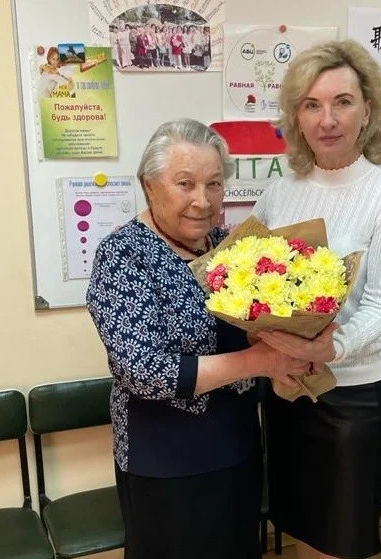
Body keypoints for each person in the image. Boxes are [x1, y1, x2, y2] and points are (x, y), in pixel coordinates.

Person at [87, 118, 310, 559]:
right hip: (166, 459)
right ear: (150, 186)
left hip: (238, 445)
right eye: (185, 183)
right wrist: (260, 361)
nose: (202, 201)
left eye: (214, 183)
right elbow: (144, 371)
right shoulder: (124, 255)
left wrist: (299, 343)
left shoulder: (231, 246)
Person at [251, 40, 381, 559]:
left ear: (367, 110)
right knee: (299, 522)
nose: (327, 119)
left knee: (341, 538)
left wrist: (334, 347)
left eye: (342, 102)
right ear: (296, 117)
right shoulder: (280, 192)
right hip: (288, 389)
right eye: (312, 105)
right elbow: (252, 281)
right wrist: (267, 344)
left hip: (354, 397)